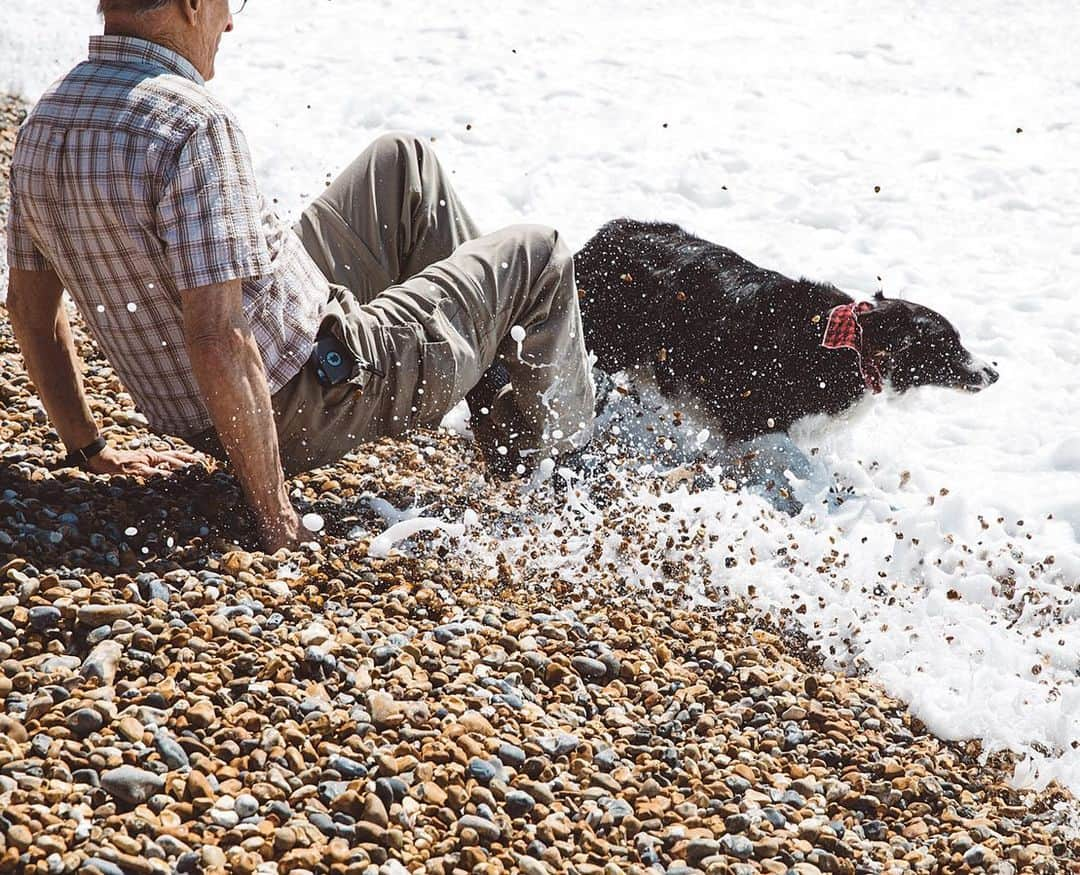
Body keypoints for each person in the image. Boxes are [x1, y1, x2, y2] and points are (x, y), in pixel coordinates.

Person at [5, 0, 595, 552]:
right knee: (539, 254)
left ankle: (492, 387)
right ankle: (563, 478)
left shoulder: (45, 124)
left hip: (209, 402)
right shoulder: (192, 126)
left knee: (402, 163)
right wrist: (275, 517)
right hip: (309, 391)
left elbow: (30, 314)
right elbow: (217, 339)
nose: (229, 25)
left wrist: (88, 447)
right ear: (188, 4)